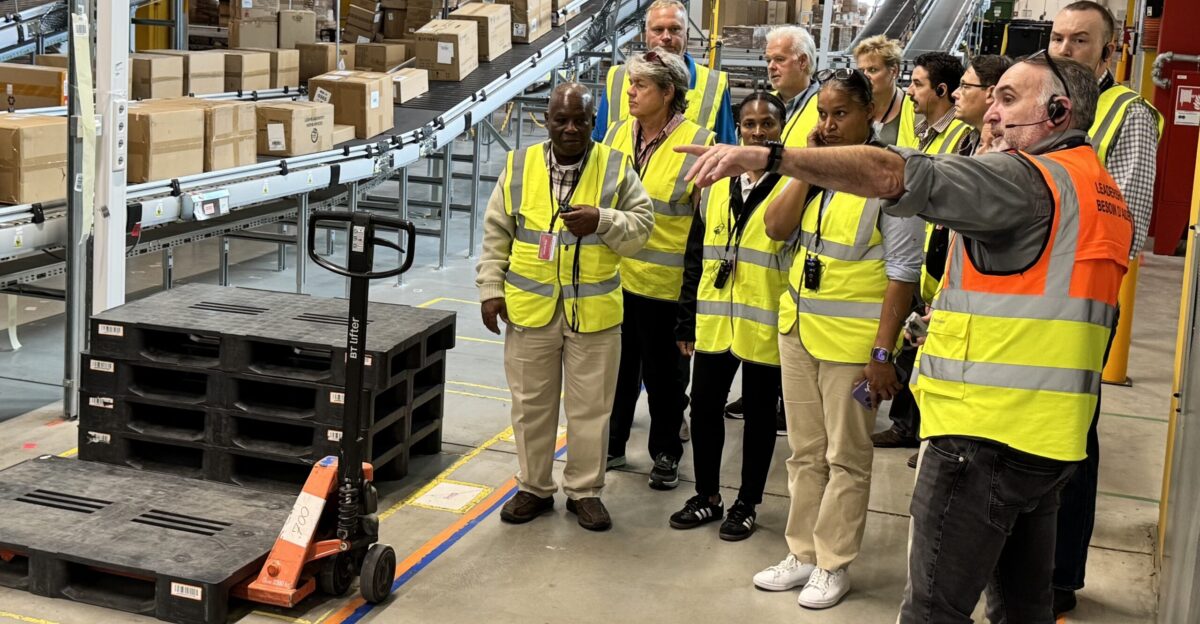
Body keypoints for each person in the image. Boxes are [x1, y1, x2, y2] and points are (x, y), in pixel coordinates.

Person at [677, 51, 1132, 624]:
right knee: (1022, 607)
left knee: (932, 609)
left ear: (1059, 111)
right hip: (1050, 438)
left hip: (983, 434)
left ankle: (830, 558)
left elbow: (898, 177)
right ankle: (804, 551)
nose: (991, 110)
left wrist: (772, 156)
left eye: (1008, 99)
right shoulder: (1097, 189)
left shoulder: (1025, 180)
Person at [750, 69, 922, 610]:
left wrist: (882, 355)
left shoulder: (890, 176)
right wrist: (806, 168)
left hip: (853, 346)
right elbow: (777, 228)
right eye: (822, 114)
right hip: (798, 331)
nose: (827, 124)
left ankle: (833, 561)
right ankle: (800, 554)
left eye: (839, 114)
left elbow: (903, 273)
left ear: (871, 113)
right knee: (805, 453)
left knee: (847, 457)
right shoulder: (816, 167)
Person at [475, 83, 655, 532]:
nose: (571, 128)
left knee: (591, 409)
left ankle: (585, 492)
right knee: (530, 405)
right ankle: (534, 487)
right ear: (547, 120)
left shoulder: (615, 168)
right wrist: (489, 289)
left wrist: (604, 219)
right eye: (561, 119)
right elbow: (497, 232)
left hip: (594, 316)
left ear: (594, 122)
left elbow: (643, 227)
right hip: (531, 310)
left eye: (580, 120)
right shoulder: (518, 167)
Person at [1049, 1, 1163, 615]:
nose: (1065, 50)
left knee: (1070, 439)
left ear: (1110, 51)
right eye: (1058, 38)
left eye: (1081, 41)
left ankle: (1060, 576)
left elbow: (1129, 227)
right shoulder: (1039, 100)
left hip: (1078, 303)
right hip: (1021, 300)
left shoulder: (1130, 117)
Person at [669, 91, 791, 541]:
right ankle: (707, 494)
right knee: (703, 409)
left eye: (767, 124)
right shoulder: (718, 186)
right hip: (716, 320)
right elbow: (695, 255)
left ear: (781, 131)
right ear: (737, 130)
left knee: (760, 418)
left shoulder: (792, 187)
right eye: (749, 125)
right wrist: (686, 319)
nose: (757, 132)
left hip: (766, 321)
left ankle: (747, 502)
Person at [602, 49, 714, 489]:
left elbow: (702, 233)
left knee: (666, 383)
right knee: (615, 372)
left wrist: (692, 304)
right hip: (613, 281)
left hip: (665, 291)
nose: (630, 92)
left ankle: (666, 452)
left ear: (668, 93)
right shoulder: (614, 135)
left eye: (640, 85)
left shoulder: (697, 144)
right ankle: (611, 444)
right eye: (630, 83)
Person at [872, 51, 973, 457]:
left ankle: (927, 435)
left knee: (927, 352)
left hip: (939, 258)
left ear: (942, 91)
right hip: (925, 255)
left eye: (917, 84)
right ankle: (908, 425)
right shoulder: (925, 130)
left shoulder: (959, 136)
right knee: (914, 346)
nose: (909, 92)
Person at [725, 25, 816, 432]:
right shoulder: (786, 106)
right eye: (768, 60)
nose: (771, 67)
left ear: (804, 61)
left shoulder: (814, 111)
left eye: (778, 59)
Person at [593, 0, 735, 144]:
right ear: (646, 34)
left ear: (687, 34)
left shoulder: (713, 85)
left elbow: (727, 151)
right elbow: (600, 143)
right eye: (658, 30)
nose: (666, 37)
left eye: (675, 29)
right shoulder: (617, 78)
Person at [853, 35, 917, 147]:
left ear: (894, 71)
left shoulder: (914, 110)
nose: (865, 76)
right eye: (861, 71)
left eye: (873, 70)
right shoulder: (851, 105)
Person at [951, 54, 1013, 153]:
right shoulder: (968, 140)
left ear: (991, 94)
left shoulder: (1005, 149)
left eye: (965, 86)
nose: (954, 94)